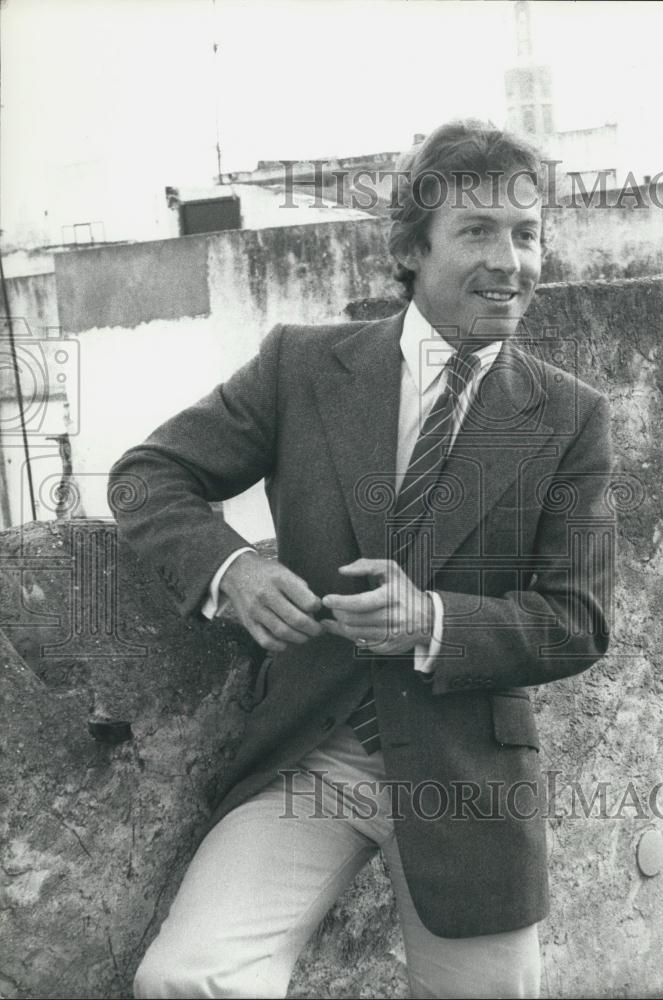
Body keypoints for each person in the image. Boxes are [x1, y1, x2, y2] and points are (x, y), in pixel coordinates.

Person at [109, 118, 615, 999]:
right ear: (412, 249)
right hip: (315, 753)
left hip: (467, 775)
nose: (512, 261)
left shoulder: (568, 417)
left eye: (528, 234)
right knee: (188, 979)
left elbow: (578, 621)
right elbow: (149, 476)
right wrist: (235, 571)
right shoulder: (300, 367)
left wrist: (434, 620)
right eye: (477, 232)